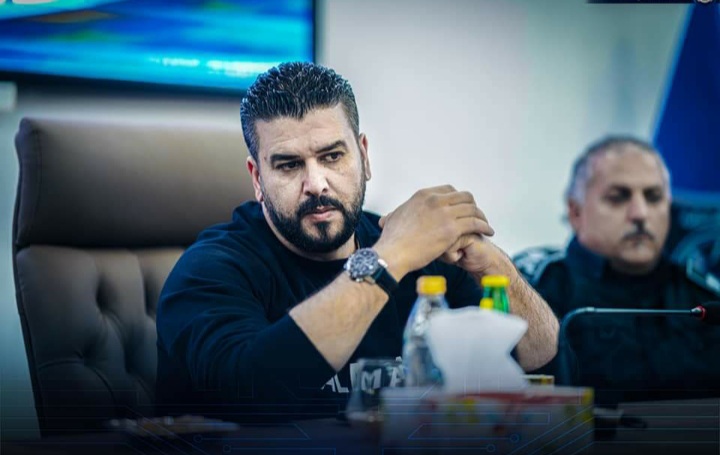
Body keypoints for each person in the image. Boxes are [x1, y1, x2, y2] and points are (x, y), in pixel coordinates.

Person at [156, 62, 559, 420]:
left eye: (332, 156)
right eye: (289, 165)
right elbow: (251, 393)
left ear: (364, 157)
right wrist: (391, 256)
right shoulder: (210, 270)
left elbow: (540, 360)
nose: (316, 184)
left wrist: (495, 266)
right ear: (257, 179)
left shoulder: (417, 252)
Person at [514, 136, 720, 405]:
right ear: (575, 212)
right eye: (618, 198)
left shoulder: (705, 299)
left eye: (654, 197)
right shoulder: (533, 289)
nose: (640, 213)